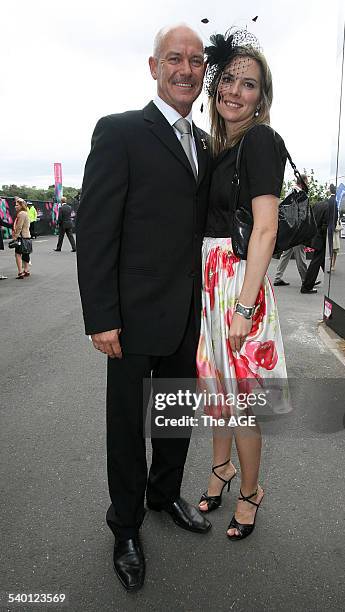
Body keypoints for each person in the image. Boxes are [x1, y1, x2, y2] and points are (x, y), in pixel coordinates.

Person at [76, 24, 211, 592]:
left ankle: (164, 494)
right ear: (153, 67)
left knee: (175, 413)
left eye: (196, 61)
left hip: (186, 311)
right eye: (174, 59)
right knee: (128, 426)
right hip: (129, 318)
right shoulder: (121, 131)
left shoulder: (203, 143)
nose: (186, 69)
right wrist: (100, 316)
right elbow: (96, 227)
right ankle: (125, 526)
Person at [196, 30, 288, 541]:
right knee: (215, 387)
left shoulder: (260, 140)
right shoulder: (218, 147)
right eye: (227, 78)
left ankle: (251, 490)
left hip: (238, 284)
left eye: (248, 84)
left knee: (242, 397)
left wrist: (244, 308)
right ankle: (220, 468)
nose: (235, 90)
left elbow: (267, 229)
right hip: (212, 283)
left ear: (262, 97)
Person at [300, 183, 337, 293]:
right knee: (316, 261)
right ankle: (306, 286)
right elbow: (328, 225)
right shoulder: (330, 206)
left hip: (315, 236)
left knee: (319, 260)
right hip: (321, 238)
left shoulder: (317, 205)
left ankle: (309, 284)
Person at [273, 174, 308, 286]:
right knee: (300, 253)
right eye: (307, 182)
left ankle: (278, 277)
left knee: (286, 253)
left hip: (289, 228)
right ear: (303, 182)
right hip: (296, 228)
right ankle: (306, 280)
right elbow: (300, 211)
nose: (308, 184)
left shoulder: (291, 190)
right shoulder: (299, 193)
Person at [12, 198, 32, 279]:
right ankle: (26, 271)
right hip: (27, 236)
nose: (15, 206)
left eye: (17, 205)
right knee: (25, 253)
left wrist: (15, 237)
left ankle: (20, 272)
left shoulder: (21, 214)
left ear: (21, 205)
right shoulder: (26, 213)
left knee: (18, 254)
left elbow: (19, 227)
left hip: (21, 237)